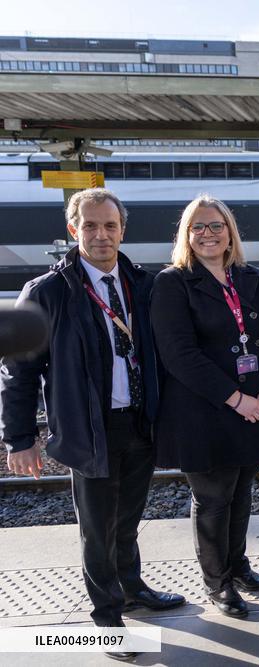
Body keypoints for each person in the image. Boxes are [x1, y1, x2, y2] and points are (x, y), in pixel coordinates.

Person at [1, 188, 183, 661]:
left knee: (128, 519)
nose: (101, 235)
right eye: (90, 226)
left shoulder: (142, 284)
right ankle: (107, 621)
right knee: (97, 530)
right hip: (89, 429)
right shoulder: (48, 292)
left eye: (110, 226)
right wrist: (21, 437)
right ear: (72, 230)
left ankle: (132, 587)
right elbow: (17, 369)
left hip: (139, 424)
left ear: (123, 230)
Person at [151, 195, 259, 618]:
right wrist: (238, 399)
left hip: (255, 408)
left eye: (216, 226)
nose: (208, 234)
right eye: (198, 227)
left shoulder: (250, 279)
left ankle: (238, 564)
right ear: (186, 235)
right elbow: (179, 355)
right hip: (205, 413)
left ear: (230, 232)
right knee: (213, 499)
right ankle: (218, 582)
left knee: (242, 491)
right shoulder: (172, 283)